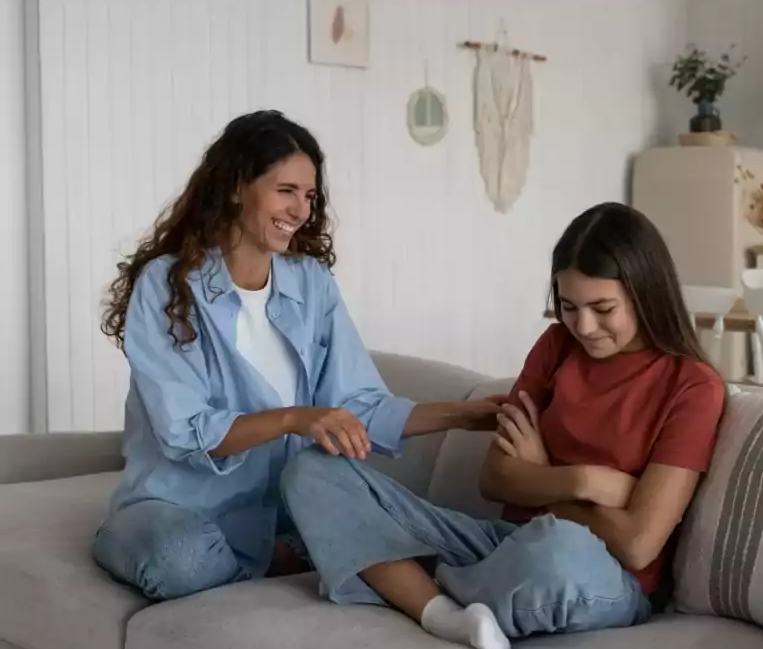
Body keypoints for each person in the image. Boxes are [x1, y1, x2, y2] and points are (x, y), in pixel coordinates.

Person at [91, 109, 503, 601]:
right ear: (237, 186)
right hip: (176, 508)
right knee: (180, 557)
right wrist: (295, 418)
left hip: (277, 516)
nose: (301, 210)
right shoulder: (165, 284)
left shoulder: (311, 284)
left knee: (369, 513)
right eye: (286, 191)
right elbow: (184, 431)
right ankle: (242, 556)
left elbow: (358, 406)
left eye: (308, 196)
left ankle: (274, 556)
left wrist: (467, 414)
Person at [280, 201, 727, 649]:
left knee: (558, 546)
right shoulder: (557, 346)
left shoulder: (691, 386)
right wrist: (584, 480)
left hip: (598, 574)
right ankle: (441, 610)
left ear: (645, 293)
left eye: (603, 308)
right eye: (569, 306)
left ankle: (400, 577)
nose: (585, 327)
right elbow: (496, 479)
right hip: (503, 547)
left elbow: (637, 545)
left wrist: (540, 477)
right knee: (313, 472)